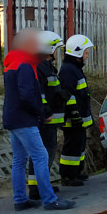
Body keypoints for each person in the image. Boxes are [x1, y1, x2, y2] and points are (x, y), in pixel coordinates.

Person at [2, 28, 74, 211]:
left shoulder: (12, 63)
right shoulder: (25, 66)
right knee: (40, 155)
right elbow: (27, 95)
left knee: (19, 159)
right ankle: (49, 200)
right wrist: (41, 113)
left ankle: (20, 199)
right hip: (24, 119)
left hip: (12, 117)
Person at [27, 30, 66, 200]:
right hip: (46, 119)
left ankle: (40, 186)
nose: (57, 51)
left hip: (51, 117)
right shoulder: (41, 68)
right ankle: (38, 188)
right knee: (45, 152)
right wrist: (46, 112)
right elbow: (40, 94)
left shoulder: (47, 66)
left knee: (45, 152)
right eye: (56, 48)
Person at [58, 34, 94, 187]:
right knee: (71, 146)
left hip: (78, 118)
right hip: (72, 119)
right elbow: (68, 94)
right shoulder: (68, 70)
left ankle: (77, 172)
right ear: (78, 53)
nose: (87, 56)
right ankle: (68, 176)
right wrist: (74, 114)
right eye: (86, 52)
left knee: (79, 145)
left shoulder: (74, 69)